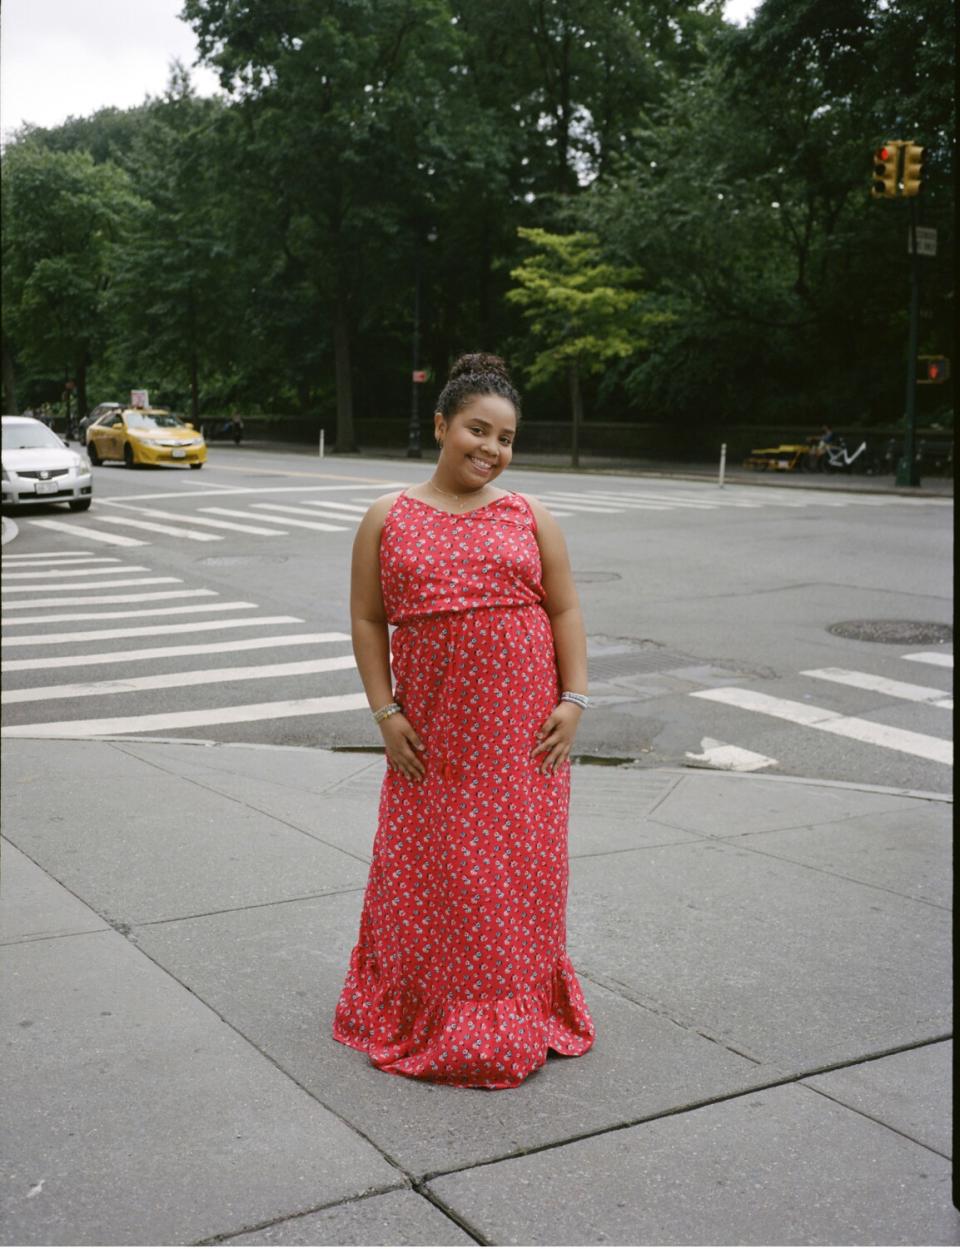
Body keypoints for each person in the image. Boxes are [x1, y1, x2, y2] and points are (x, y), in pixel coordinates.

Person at [332, 352, 596, 1089]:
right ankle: (434, 1009)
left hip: (523, 739)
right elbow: (366, 617)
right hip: (434, 737)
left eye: (506, 438)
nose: (492, 448)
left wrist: (574, 699)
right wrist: (384, 711)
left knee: (514, 878)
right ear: (442, 425)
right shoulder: (388, 516)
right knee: (438, 877)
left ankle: (514, 1009)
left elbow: (565, 607)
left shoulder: (528, 514)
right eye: (478, 429)